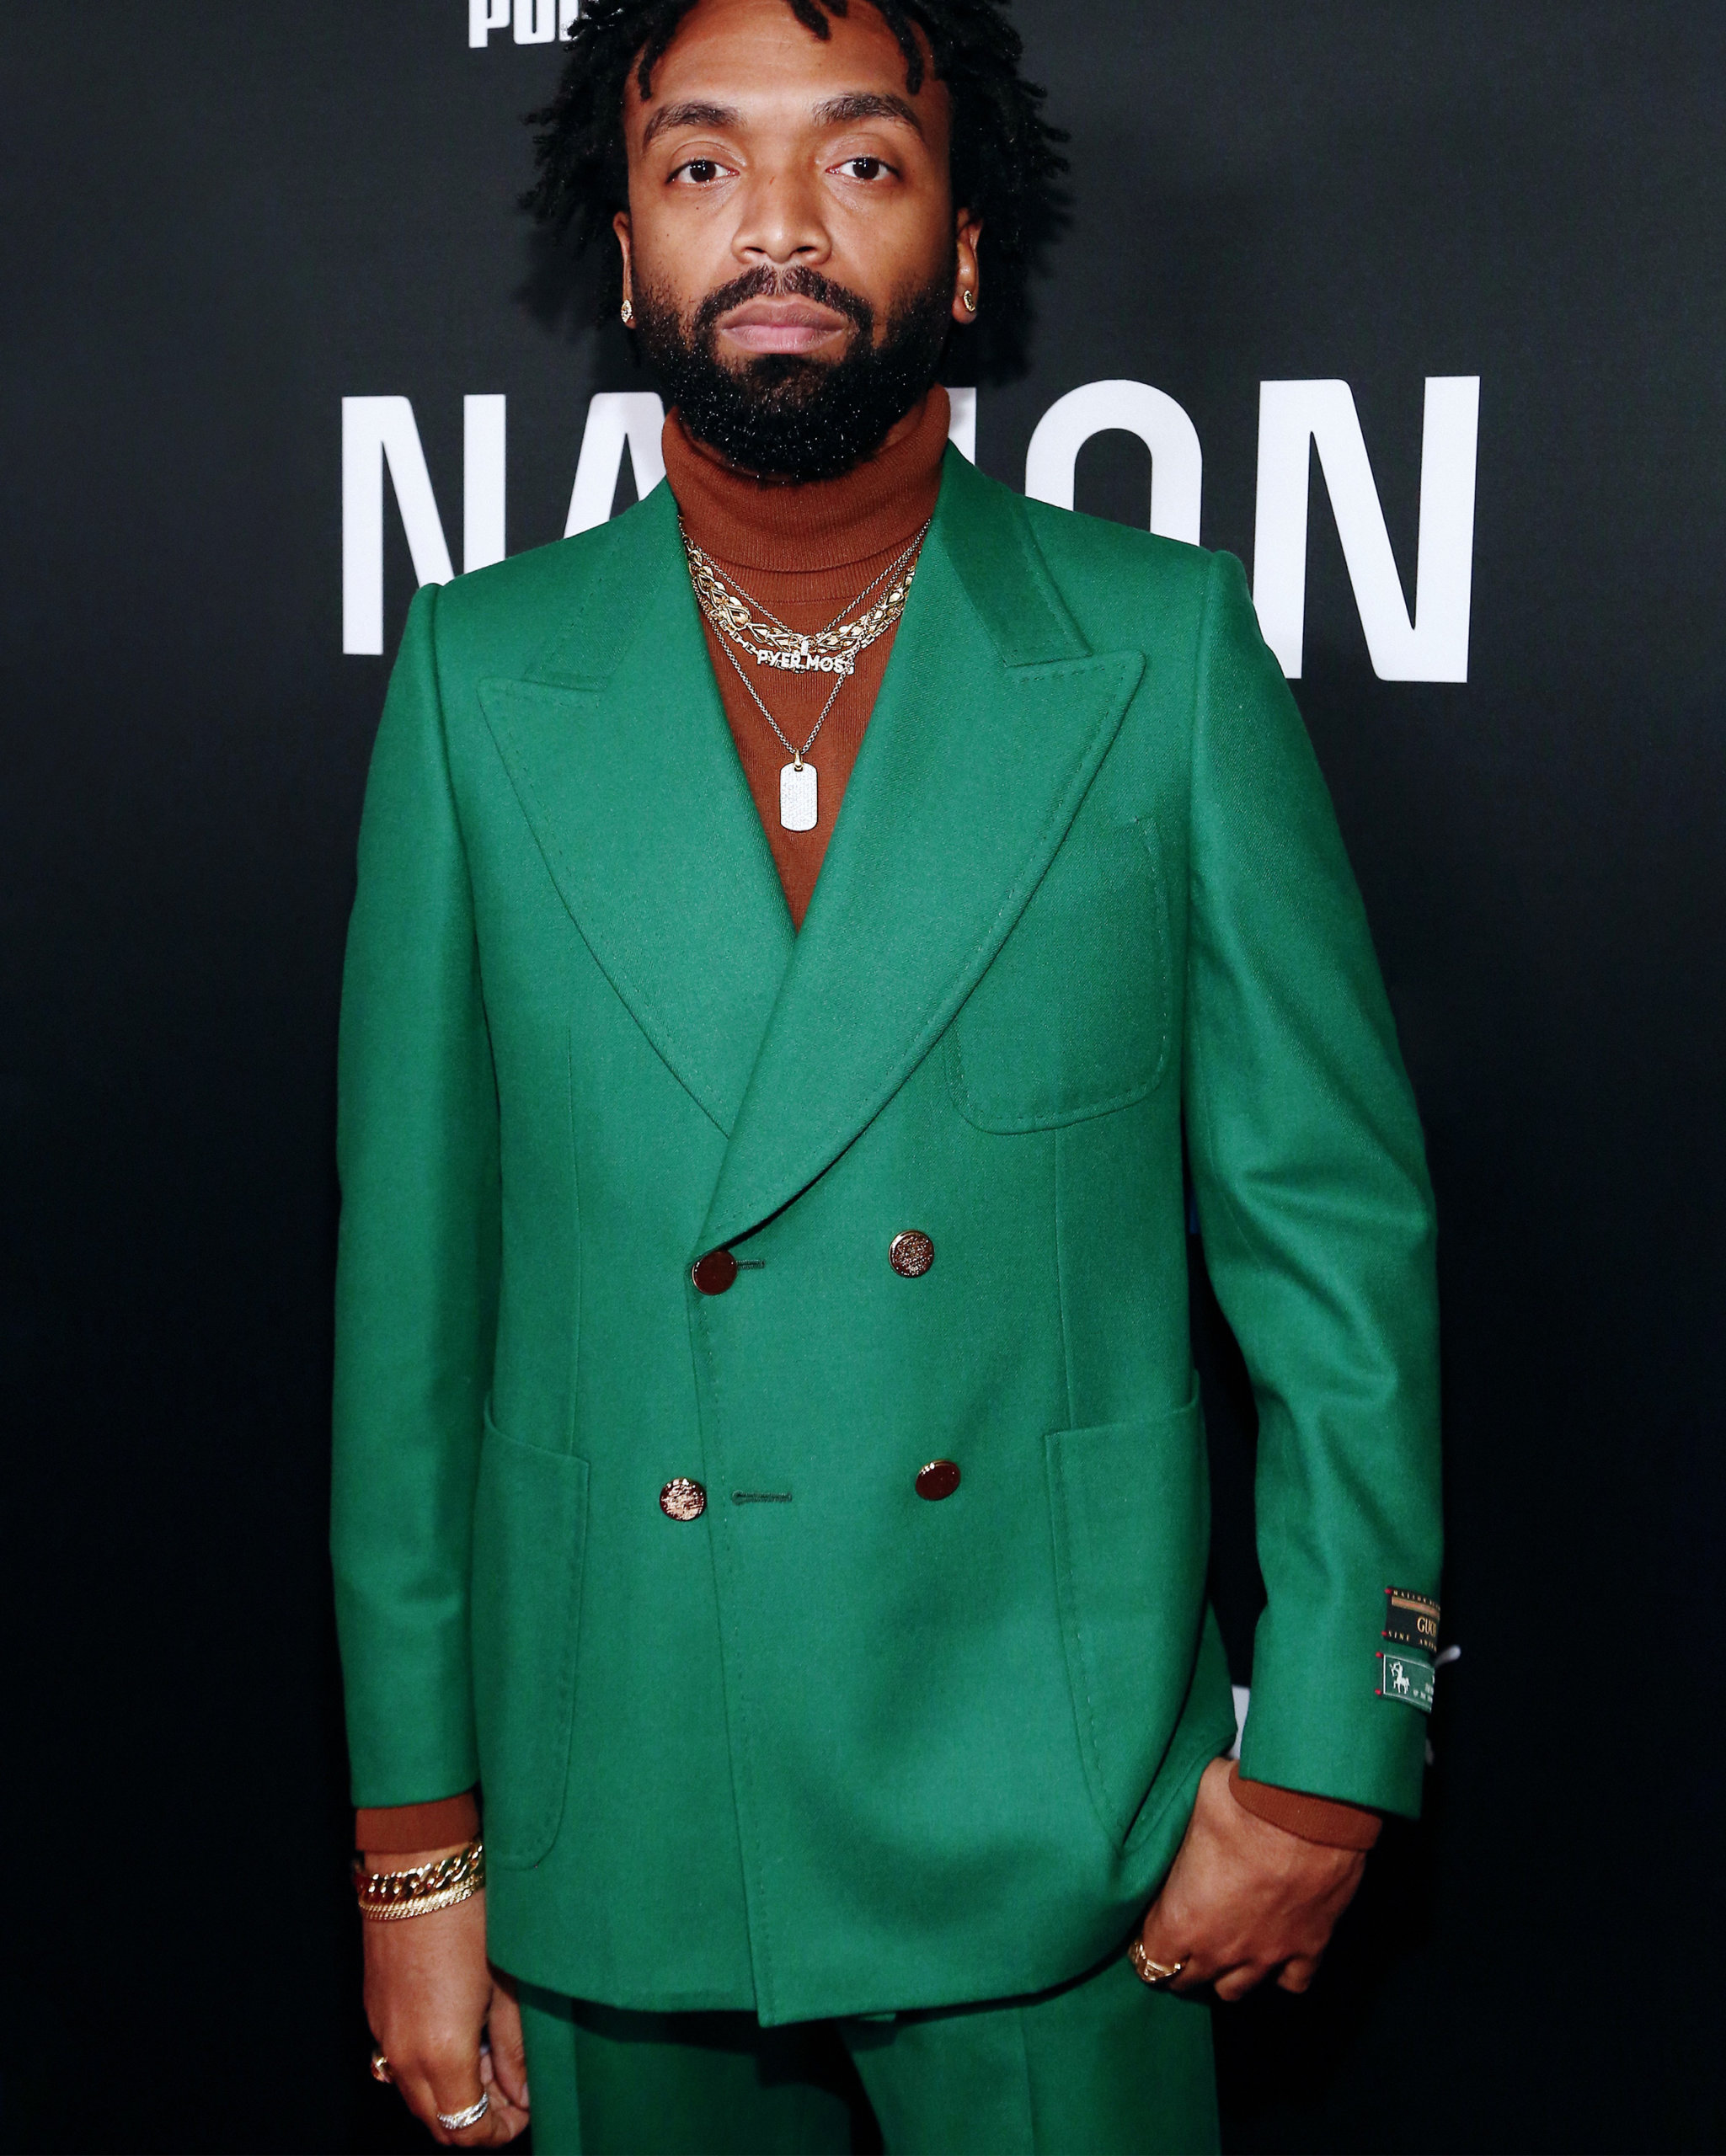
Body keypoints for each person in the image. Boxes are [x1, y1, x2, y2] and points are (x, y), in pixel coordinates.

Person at [331, 0, 1442, 2147]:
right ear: (631, 249)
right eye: (697, 166)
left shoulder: (1165, 647)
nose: (772, 225)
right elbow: (411, 1337)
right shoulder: (477, 676)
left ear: (953, 252)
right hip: (613, 1802)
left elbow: (1332, 1249)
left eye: (855, 161)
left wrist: (1327, 1743)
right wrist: (417, 1846)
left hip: (1060, 1817)